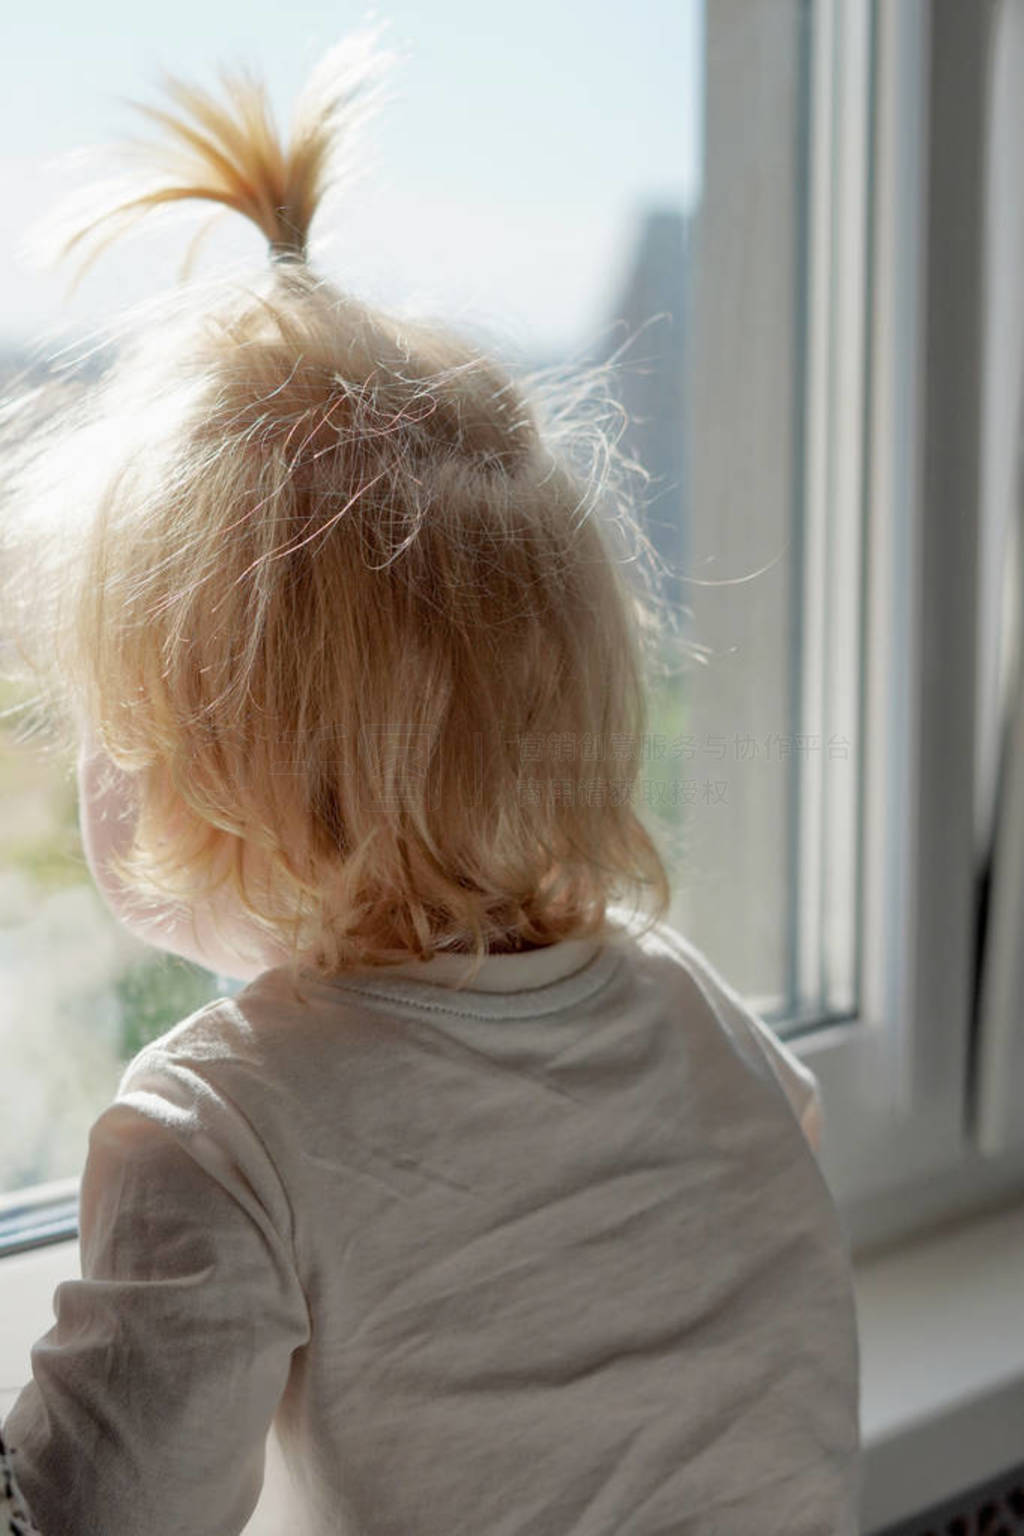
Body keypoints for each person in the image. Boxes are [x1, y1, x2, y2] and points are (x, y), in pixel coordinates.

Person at [0, 37, 861, 1536]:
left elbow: (90, 1517)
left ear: (208, 784)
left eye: (114, 725)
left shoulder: (219, 1122)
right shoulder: (691, 1004)